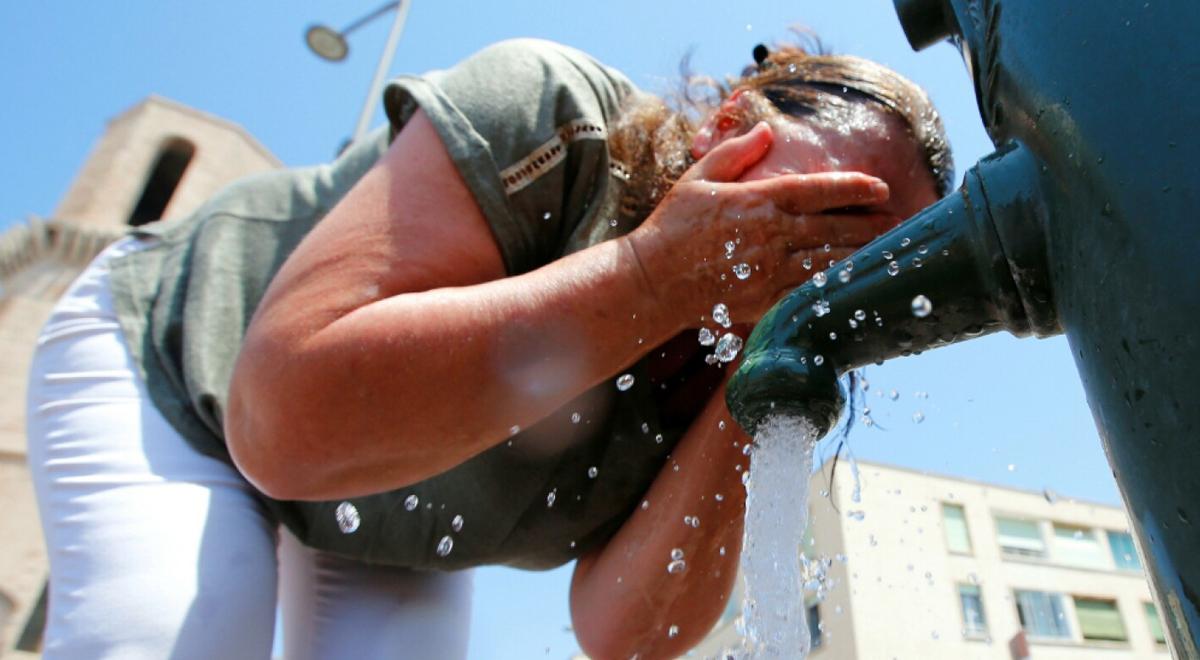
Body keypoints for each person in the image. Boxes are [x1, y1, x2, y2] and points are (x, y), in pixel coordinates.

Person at [26, 34, 950, 660]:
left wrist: (765, 377)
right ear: (726, 135)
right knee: (170, 634)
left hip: (387, 517)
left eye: (859, 269)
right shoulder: (558, 119)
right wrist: (664, 277)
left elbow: (628, 635)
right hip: (178, 359)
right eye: (817, 213)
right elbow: (285, 426)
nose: (815, 264)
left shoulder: (745, 365)